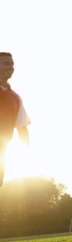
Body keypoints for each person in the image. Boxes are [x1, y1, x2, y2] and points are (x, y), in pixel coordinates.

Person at [0, 53, 30, 187]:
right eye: (6, 63)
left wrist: (26, 151)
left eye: (12, 64)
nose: (11, 67)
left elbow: (22, 127)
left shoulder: (15, 98)